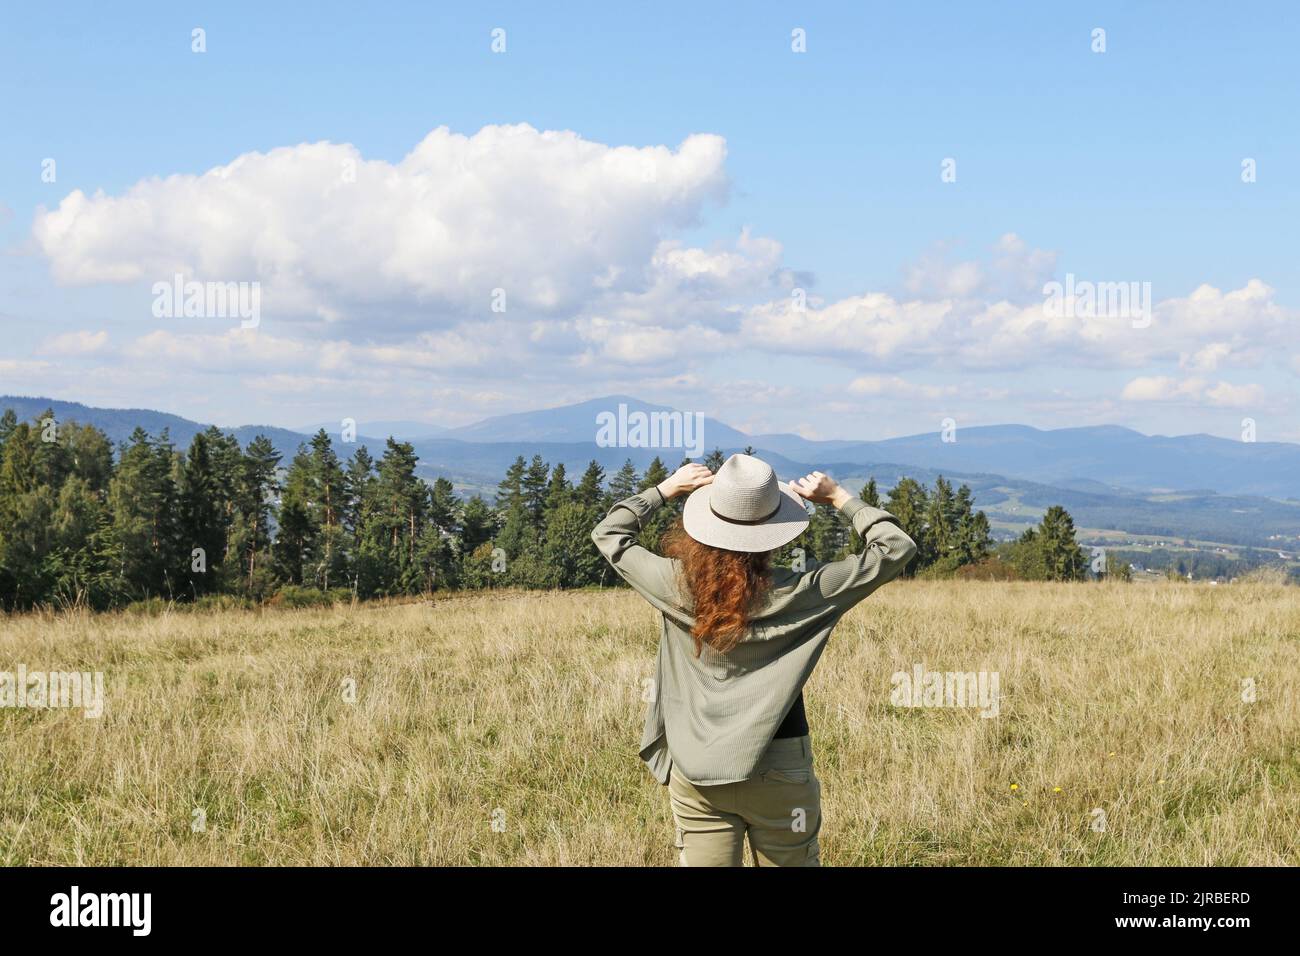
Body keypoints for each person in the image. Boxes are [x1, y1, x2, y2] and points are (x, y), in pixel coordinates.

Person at [591, 453, 917, 866]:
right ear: (776, 531)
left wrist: (666, 489)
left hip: (697, 768)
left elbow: (610, 535)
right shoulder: (807, 591)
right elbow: (895, 548)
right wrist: (838, 497)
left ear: (705, 521)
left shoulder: (673, 585)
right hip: (780, 769)